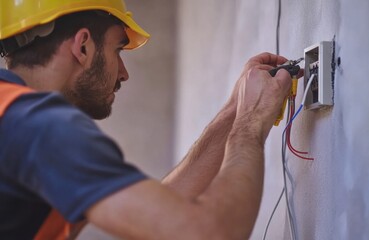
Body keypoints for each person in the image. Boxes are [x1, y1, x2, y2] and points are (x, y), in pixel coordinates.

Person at [0, 1, 294, 239]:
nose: (124, 73)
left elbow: (155, 219)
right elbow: (210, 232)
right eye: (118, 48)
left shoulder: (14, 118)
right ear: (83, 46)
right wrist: (250, 124)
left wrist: (234, 111)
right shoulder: (43, 128)